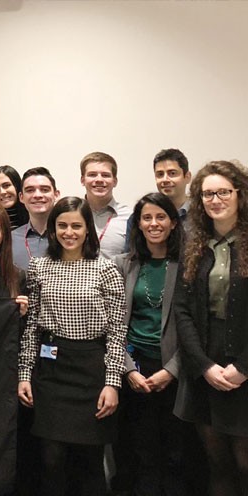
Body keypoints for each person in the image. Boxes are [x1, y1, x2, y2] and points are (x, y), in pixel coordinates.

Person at [17, 196, 125, 496]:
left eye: (76, 226)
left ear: (88, 229)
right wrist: (25, 374)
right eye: (62, 225)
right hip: (51, 370)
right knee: (51, 459)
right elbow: (32, 328)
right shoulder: (39, 267)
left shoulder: (106, 270)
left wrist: (112, 382)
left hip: (92, 371)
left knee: (90, 462)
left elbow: (117, 332)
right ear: (52, 230)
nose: (69, 232)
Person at [174, 160, 248, 495]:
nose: (215, 199)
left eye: (223, 192)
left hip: (243, 363)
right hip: (207, 363)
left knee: (244, 462)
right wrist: (203, 366)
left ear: (239, 195)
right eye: (207, 194)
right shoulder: (195, 243)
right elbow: (182, 310)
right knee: (216, 462)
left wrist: (243, 368)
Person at [111, 192, 192, 495]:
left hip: (175, 370)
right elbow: (115, 324)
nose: (153, 223)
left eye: (161, 217)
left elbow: (195, 328)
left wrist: (171, 370)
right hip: (134, 369)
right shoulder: (123, 265)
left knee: (176, 453)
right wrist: (129, 368)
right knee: (139, 452)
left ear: (173, 223)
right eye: (147, 217)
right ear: (138, 224)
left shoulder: (188, 266)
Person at [79, 151, 132, 259]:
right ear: (82, 180)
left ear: (115, 181)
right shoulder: (71, 214)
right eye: (92, 175)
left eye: (105, 175)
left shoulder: (130, 217)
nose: (99, 180)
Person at [12, 167, 60, 270]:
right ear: (21, 197)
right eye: (30, 190)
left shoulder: (69, 236)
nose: (37, 195)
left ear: (56, 195)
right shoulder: (10, 239)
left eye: (45, 190)